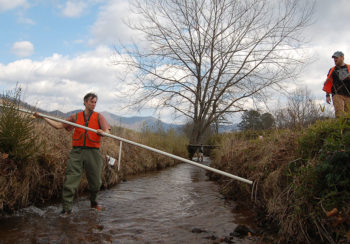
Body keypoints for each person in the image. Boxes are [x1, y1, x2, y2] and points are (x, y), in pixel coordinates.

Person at [35, 93, 110, 215]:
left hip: (93, 153)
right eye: (92, 102)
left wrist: (103, 132)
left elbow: (107, 131)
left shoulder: (99, 117)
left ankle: (94, 202)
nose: (94, 104)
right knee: (70, 181)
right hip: (77, 152)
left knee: (96, 183)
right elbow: (59, 126)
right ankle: (66, 209)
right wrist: (43, 117)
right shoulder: (75, 117)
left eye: (95, 102)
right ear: (85, 102)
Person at [323, 51, 350, 117]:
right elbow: (328, 82)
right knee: (340, 114)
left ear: (342, 57)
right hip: (337, 94)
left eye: (336, 57)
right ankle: (339, 127)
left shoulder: (349, 67)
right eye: (334, 58)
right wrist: (327, 95)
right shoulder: (332, 70)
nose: (335, 59)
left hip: (348, 95)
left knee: (348, 116)